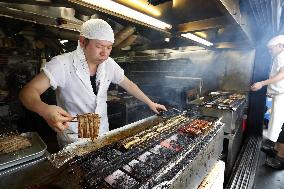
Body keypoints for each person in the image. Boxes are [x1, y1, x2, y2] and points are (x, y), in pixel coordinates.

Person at [19, 19, 167, 148]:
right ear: (83, 42)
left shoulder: (109, 64)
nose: (105, 53)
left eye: (109, 47)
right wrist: (44, 109)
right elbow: (28, 91)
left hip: (102, 132)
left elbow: (129, 84)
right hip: (75, 137)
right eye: (99, 46)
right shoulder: (62, 64)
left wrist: (150, 102)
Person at [251, 35, 284, 161]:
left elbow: (282, 74)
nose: (270, 51)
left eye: (271, 49)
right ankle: (275, 149)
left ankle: (280, 158)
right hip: (279, 94)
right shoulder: (279, 56)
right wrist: (272, 91)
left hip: (282, 96)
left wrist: (262, 84)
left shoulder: (281, 56)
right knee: (278, 125)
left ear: (280, 46)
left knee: (279, 124)